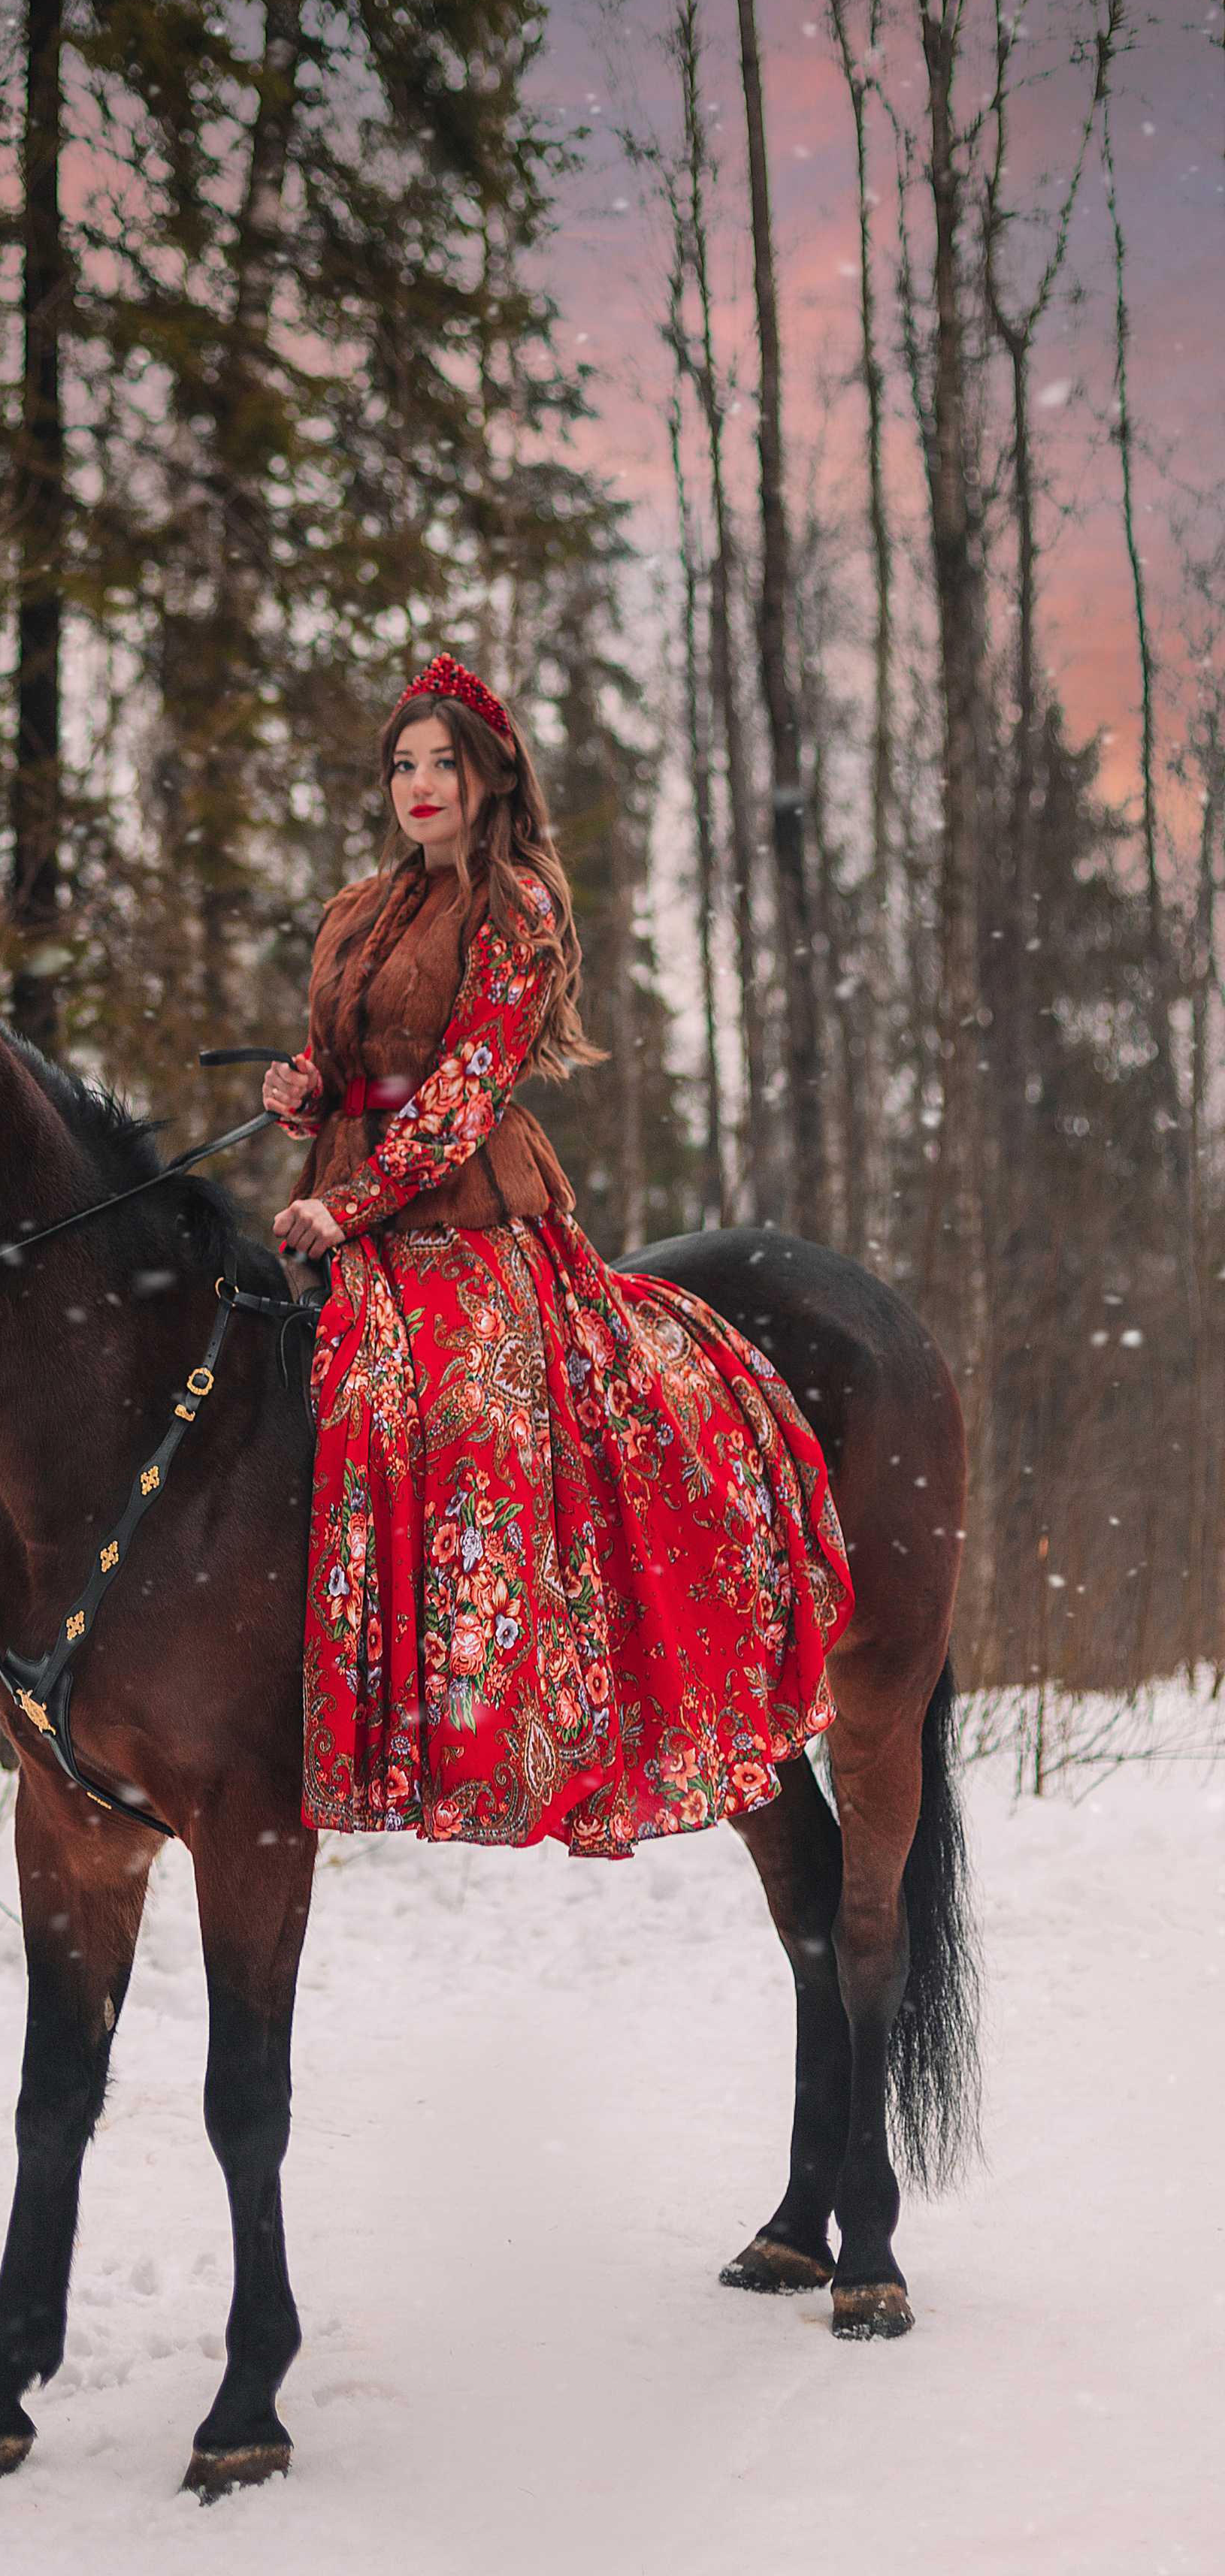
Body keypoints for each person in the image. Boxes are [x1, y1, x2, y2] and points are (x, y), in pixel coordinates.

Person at [264, 652, 851, 1857]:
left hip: (464, 1213)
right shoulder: (358, 908)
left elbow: (466, 1087)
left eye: (444, 764)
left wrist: (353, 1200)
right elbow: (353, 1057)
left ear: (490, 778)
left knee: (471, 1417)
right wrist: (305, 1089)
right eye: (402, 765)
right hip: (344, 1200)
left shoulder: (517, 905)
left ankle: (498, 1723)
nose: (420, 785)